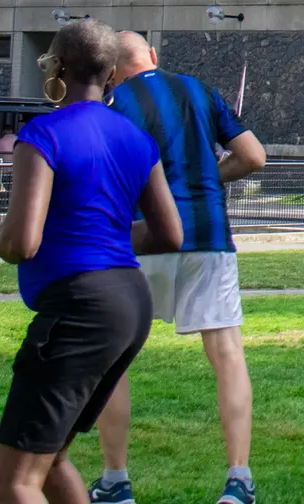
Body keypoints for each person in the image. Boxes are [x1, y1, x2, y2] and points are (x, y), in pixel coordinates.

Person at [0, 20, 183, 504]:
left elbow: (22, 242)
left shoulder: (43, 134)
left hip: (80, 309)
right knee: (50, 460)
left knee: (13, 481)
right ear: (112, 73)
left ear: (56, 68)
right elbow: (170, 235)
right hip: (129, 304)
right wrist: (102, 235)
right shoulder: (136, 138)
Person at [92, 33, 270, 504]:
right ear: (152, 56)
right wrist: (212, 176)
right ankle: (238, 479)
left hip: (141, 238)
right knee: (227, 354)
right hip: (207, 235)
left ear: (112, 69)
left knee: (114, 360)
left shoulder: (114, 105)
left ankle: (116, 480)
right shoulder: (200, 90)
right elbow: (254, 156)